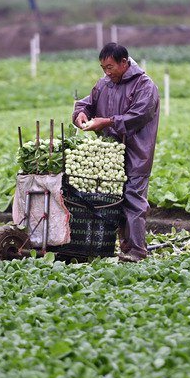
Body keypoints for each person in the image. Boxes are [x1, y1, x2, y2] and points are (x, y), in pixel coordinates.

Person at [73, 43, 160, 263]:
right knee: (115, 200)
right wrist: (80, 114)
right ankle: (125, 248)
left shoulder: (144, 85)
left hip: (137, 153)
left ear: (124, 62)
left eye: (110, 67)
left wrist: (108, 122)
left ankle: (137, 251)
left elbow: (139, 115)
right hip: (111, 156)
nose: (106, 72)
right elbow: (85, 103)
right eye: (103, 68)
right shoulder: (104, 84)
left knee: (133, 199)